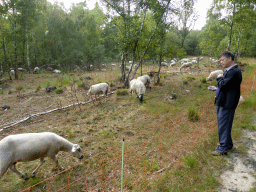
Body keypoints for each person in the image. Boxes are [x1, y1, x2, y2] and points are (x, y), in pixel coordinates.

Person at [212, 51, 242, 156]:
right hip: (224, 101)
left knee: (224, 125)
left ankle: (223, 149)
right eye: (220, 60)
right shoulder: (230, 71)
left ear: (230, 58)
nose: (221, 62)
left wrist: (219, 77)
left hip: (227, 103)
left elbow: (223, 85)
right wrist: (216, 88)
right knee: (225, 124)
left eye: (222, 60)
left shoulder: (234, 72)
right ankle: (227, 144)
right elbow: (227, 87)